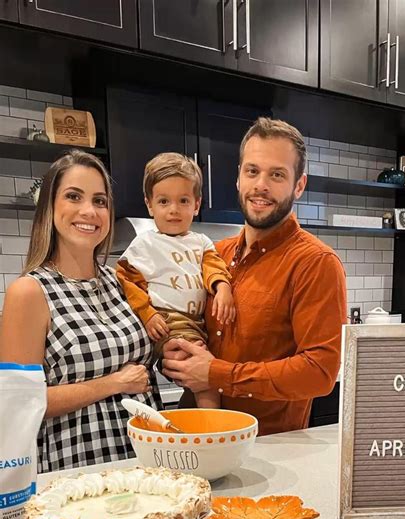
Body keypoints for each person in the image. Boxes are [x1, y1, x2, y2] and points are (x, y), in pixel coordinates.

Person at [162, 117, 347, 436]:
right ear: (238, 178)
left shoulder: (316, 263)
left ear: (299, 185)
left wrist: (216, 374)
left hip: (267, 449)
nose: (261, 185)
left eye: (277, 174)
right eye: (252, 171)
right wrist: (174, 349)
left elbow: (319, 373)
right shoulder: (213, 253)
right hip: (192, 434)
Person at [0, 150, 162, 473]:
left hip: (148, 463)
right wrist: (114, 383)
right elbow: (19, 404)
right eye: (74, 196)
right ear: (50, 206)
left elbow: (142, 362)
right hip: (78, 471)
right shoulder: (30, 293)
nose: (89, 211)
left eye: (100, 201)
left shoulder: (119, 281)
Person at [116, 152, 235, 409]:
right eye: (164, 201)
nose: (174, 210)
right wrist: (147, 314)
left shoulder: (201, 242)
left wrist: (223, 287)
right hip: (167, 321)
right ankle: (213, 428)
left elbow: (214, 266)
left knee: (202, 370)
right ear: (149, 205)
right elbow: (126, 281)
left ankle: (202, 424)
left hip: (196, 323)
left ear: (197, 204)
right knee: (203, 373)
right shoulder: (145, 243)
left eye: (183, 201)